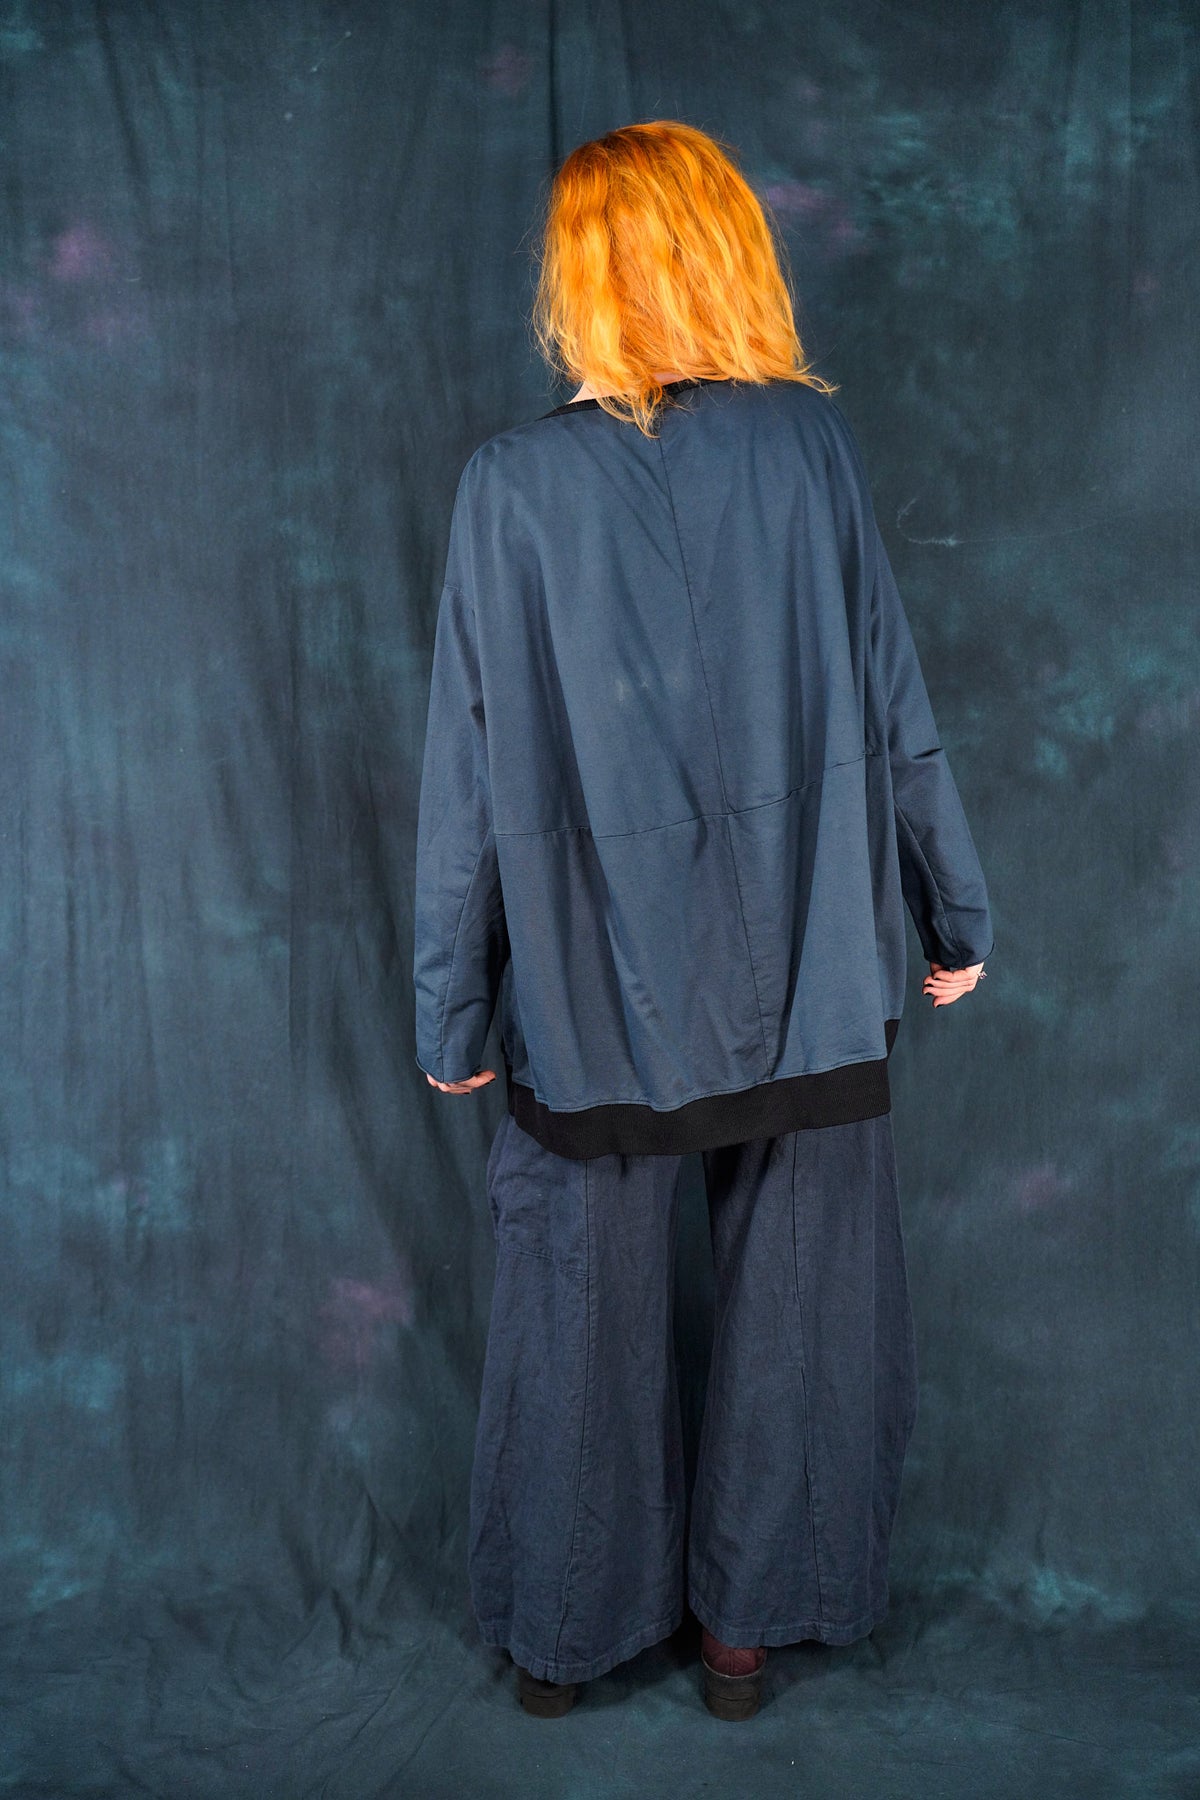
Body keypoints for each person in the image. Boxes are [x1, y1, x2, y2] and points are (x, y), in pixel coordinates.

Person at [412, 120, 993, 1719]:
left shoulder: (511, 486)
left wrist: (452, 1004)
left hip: (591, 986)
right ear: (730, 250)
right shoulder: (811, 453)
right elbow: (894, 704)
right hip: (807, 962)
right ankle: (750, 1633)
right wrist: (953, 909)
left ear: (580, 277)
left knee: (573, 1304)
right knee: (805, 1300)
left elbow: (467, 772)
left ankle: (562, 1638)